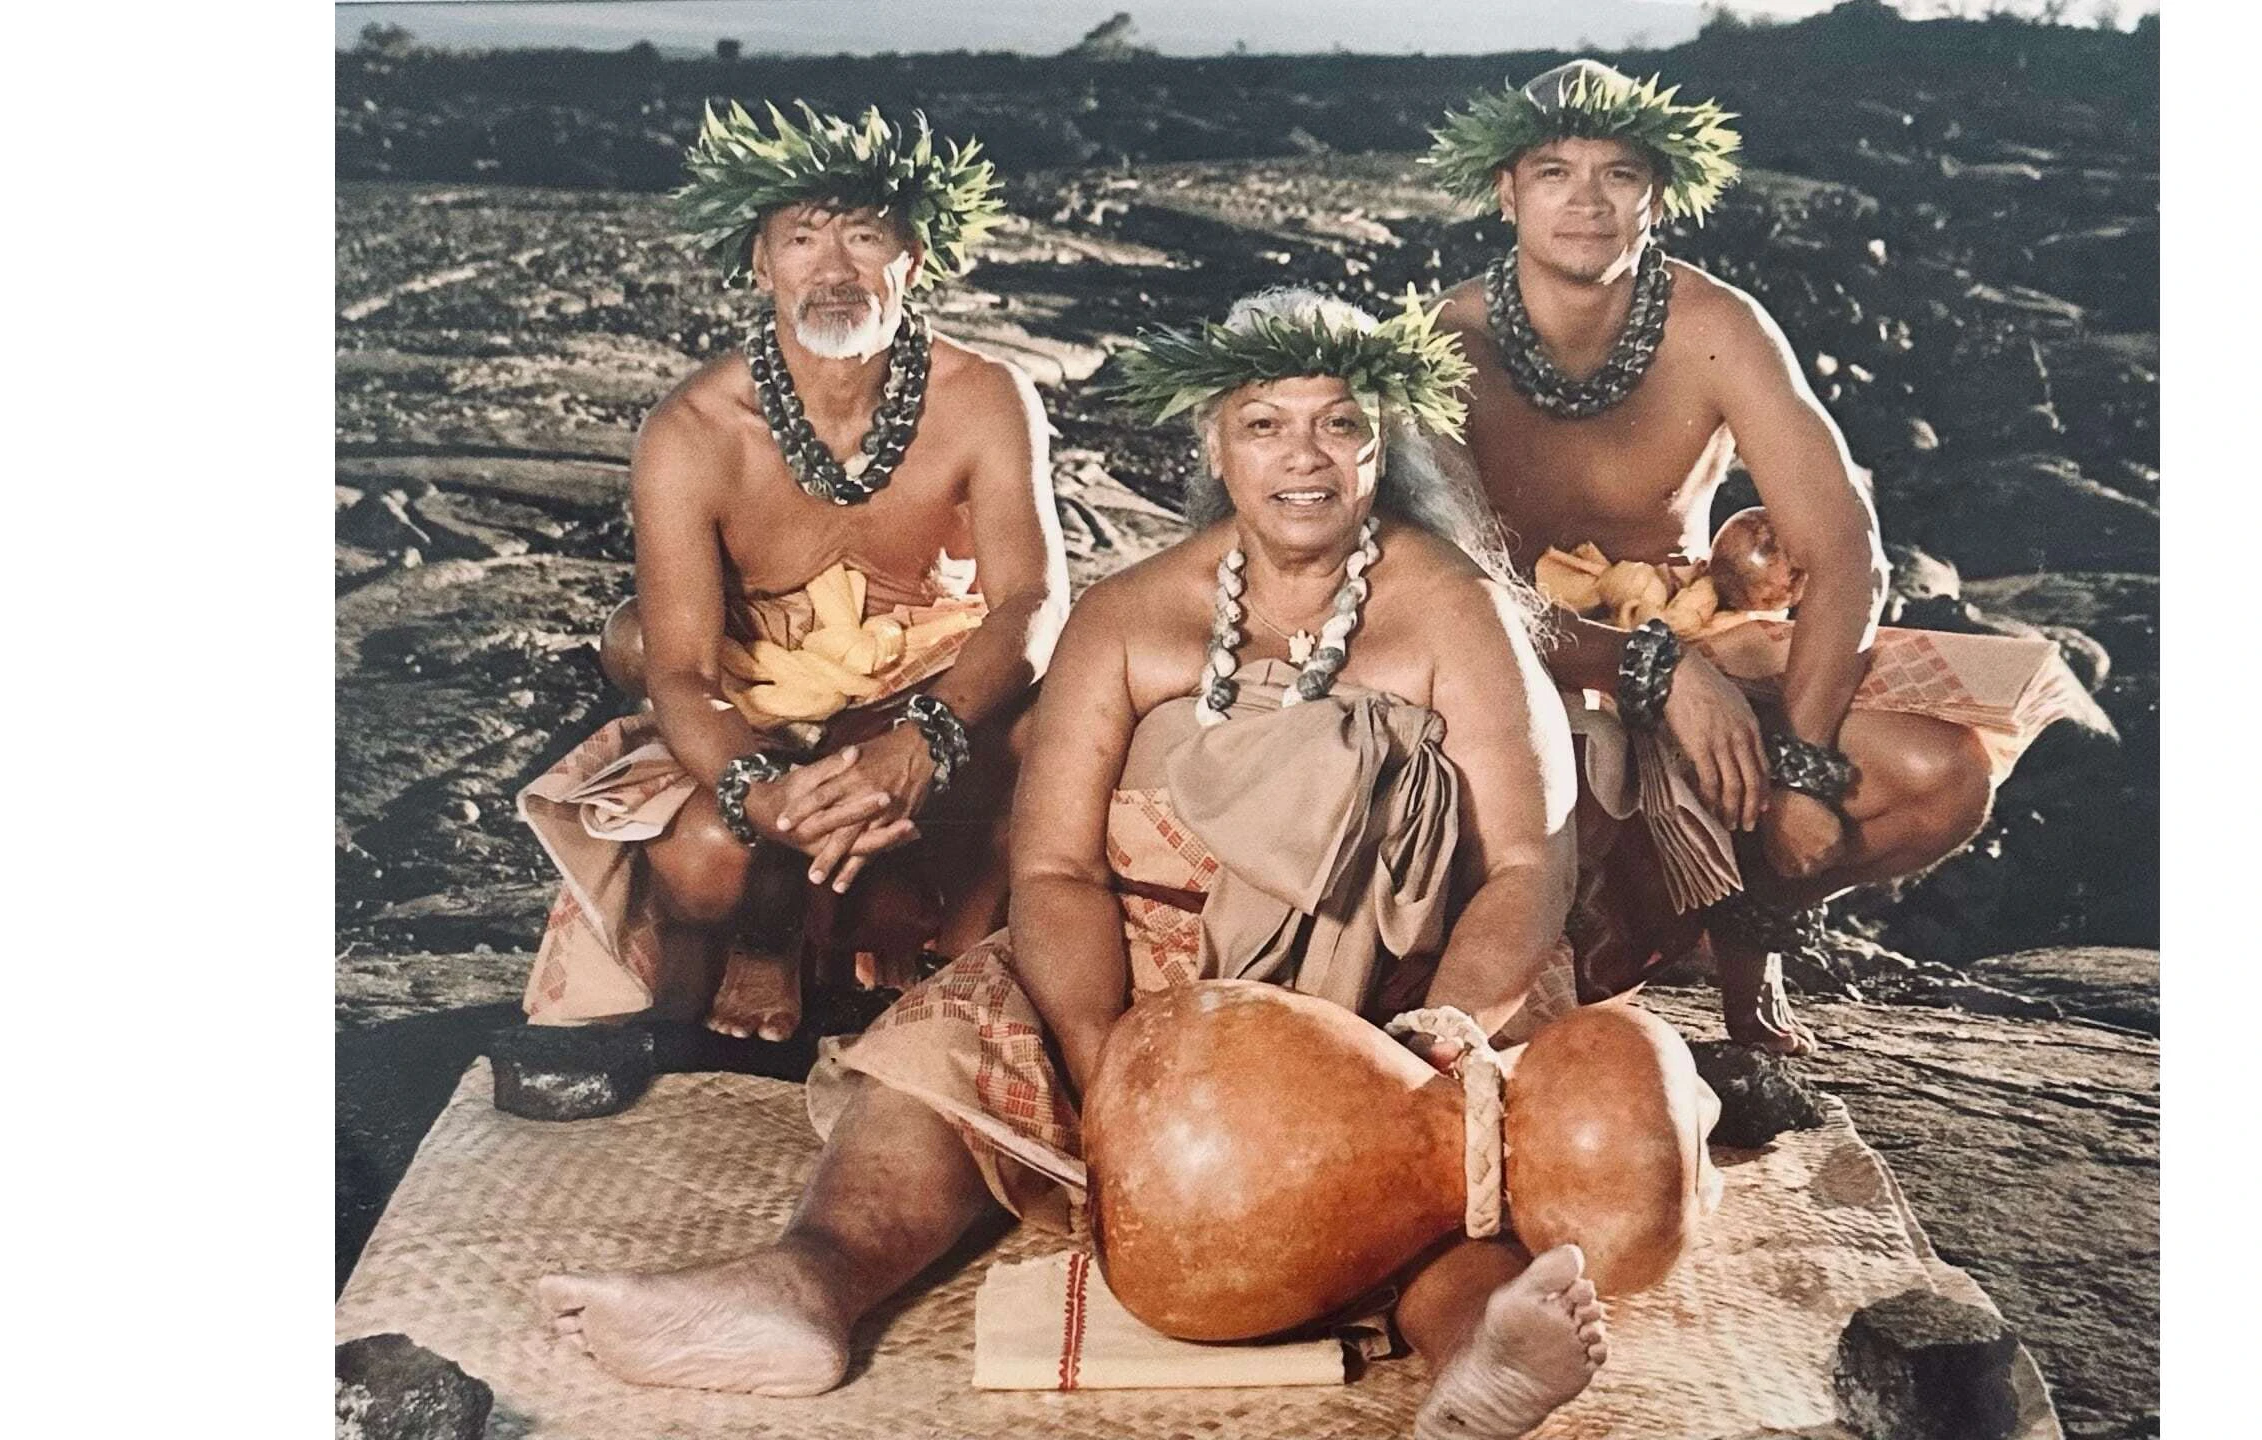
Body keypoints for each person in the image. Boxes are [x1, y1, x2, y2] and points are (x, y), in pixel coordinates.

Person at [538, 289, 1721, 1440]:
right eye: (1265, 424)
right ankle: (807, 1283)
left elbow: (1526, 866)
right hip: (1148, 980)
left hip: (1405, 983)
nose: (1302, 459)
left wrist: (1425, 1055)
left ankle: (1478, 1351)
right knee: (943, 1055)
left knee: (1436, 1162)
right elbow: (1054, 873)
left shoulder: (1456, 609)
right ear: (1216, 438)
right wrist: (1108, 1057)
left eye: (1339, 424)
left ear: (1383, 441)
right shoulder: (1128, 615)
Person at [1426, 61, 2080, 1055]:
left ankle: (1746, 918)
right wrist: (1651, 670)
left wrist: (1809, 771)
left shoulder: (1716, 327)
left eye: (1620, 174)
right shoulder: (1443, 343)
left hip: (1709, 675)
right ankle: (1585, 937)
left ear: (1659, 197)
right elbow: (1451, 600)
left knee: (1943, 776)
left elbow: (1844, 548)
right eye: (1554, 172)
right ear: (1506, 191)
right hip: (1518, 680)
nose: (1587, 200)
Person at [515, 102, 1069, 1041]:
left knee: (1050, 772)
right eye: (803, 238)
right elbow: (684, 670)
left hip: (930, 690)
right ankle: (734, 959)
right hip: (758, 703)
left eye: (865, 236)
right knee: (701, 857)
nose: (835, 268)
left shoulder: (985, 398)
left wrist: (924, 742)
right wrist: (761, 794)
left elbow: (1031, 599)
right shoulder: (692, 431)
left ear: (914, 262)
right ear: (762, 264)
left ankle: (938, 999)